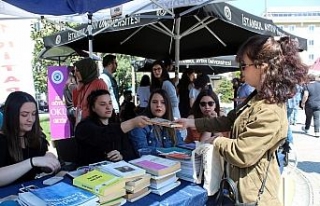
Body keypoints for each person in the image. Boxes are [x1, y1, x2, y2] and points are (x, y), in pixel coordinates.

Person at [175, 35, 308, 205]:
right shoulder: (257, 98)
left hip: (254, 197)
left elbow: (242, 153)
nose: (241, 71)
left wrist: (217, 140)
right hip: (240, 191)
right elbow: (229, 120)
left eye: (244, 65)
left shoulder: (270, 110)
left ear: (263, 67)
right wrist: (192, 123)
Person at [75, 89, 151, 166]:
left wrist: (121, 155)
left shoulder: (116, 125)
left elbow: (131, 151)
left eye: (110, 103)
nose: (108, 107)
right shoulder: (84, 127)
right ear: (93, 108)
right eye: (102, 104)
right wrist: (132, 123)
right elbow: (103, 135)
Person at [0, 91, 60, 187]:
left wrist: (48, 159)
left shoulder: (35, 138)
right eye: (24, 115)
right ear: (11, 115)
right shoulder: (2, 141)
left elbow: (40, 165)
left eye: (34, 114)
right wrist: (32, 162)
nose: (30, 119)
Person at [129, 89, 184, 156]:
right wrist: (169, 151)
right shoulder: (141, 123)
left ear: (167, 105)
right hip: (148, 163)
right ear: (149, 104)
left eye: (163, 102)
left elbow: (181, 147)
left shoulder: (172, 123)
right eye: (154, 102)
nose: (158, 105)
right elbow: (142, 150)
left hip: (173, 163)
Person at [73, 58, 108, 125]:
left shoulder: (99, 83)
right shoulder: (83, 85)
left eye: (77, 71)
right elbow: (75, 104)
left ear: (85, 70)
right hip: (83, 126)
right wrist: (78, 89)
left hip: (95, 127)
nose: (75, 74)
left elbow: (104, 107)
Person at [63, 67, 77, 137]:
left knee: (73, 131)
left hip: (68, 110)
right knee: (78, 129)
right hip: (74, 110)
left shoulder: (65, 87)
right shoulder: (74, 87)